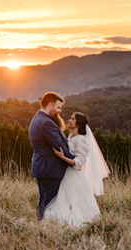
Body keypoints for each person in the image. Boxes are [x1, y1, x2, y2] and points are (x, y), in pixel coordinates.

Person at [43, 112, 110, 227]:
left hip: (74, 176)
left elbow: (79, 163)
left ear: (78, 123)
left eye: (72, 119)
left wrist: (62, 157)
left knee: (73, 202)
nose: (69, 120)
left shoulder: (81, 140)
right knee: (67, 201)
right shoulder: (70, 137)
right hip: (66, 174)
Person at [29, 92, 74, 220]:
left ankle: (41, 227)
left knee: (44, 202)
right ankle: (44, 229)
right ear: (49, 105)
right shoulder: (46, 123)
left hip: (44, 168)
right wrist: (75, 161)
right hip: (50, 169)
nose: (60, 111)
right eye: (58, 107)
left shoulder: (39, 118)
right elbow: (59, 146)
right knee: (49, 203)